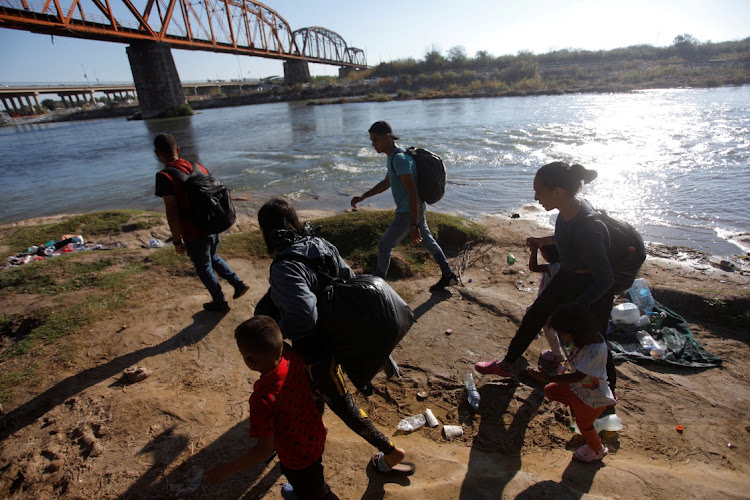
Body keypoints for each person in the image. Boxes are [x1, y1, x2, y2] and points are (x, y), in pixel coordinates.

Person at [255, 197, 415, 475]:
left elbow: (304, 316)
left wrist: (277, 334)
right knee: (308, 396)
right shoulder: (319, 244)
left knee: (342, 404)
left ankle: (391, 452)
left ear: (264, 231)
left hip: (318, 352)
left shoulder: (284, 266)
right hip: (339, 336)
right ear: (293, 220)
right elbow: (351, 283)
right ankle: (298, 442)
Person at [475, 161, 617, 396]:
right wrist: (543, 241)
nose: (536, 197)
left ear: (558, 192)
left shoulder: (590, 227)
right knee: (535, 315)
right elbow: (568, 236)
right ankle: (507, 365)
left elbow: (606, 278)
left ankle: (609, 390)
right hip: (569, 275)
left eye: (540, 192)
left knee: (594, 338)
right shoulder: (566, 211)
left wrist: (580, 305)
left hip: (592, 287)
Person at [203, 316, 338, 499]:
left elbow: (263, 450)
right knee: (312, 475)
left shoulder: (262, 400)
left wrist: (226, 470)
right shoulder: (294, 359)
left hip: (296, 460)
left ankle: (306, 492)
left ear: (250, 361)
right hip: (316, 436)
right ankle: (303, 489)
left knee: (317, 493)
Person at [350, 121, 458, 292]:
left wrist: (413, 225)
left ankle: (378, 286)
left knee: (385, 246)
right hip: (416, 208)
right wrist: (364, 196)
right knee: (428, 241)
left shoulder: (399, 159)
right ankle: (448, 275)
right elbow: (387, 183)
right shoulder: (394, 157)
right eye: (371, 140)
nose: (372, 144)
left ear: (387, 137)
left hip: (408, 212)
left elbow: (412, 193)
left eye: (375, 140)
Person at [153, 133, 249, 312]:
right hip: (212, 224)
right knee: (212, 256)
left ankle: (220, 302)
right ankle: (238, 283)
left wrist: (176, 240)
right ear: (178, 150)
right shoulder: (198, 166)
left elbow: (172, 212)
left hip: (193, 232)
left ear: (157, 154)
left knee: (204, 268)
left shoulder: (164, 176)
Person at [526, 303, 615, 463]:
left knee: (584, 425)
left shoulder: (595, 350)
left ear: (574, 331)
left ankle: (597, 449)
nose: (561, 336)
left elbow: (577, 377)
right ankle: (579, 409)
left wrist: (547, 377)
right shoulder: (585, 339)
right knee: (551, 391)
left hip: (593, 397)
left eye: (561, 333)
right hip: (581, 390)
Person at [528, 242, 564, 363]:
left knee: (549, 330)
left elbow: (533, 267)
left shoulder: (554, 267)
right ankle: (533, 332)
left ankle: (557, 355)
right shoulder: (559, 265)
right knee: (530, 311)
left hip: (549, 305)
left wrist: (534, 251)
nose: (542, 256)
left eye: (543, 253)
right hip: (547, 303)